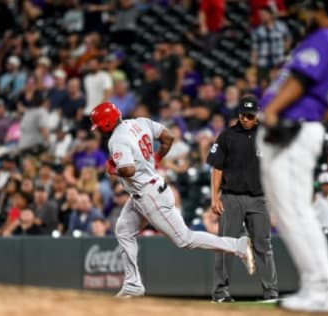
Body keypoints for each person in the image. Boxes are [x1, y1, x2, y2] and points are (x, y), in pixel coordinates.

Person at [90, 102, 255, 298]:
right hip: (146, 190)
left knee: (185, 239)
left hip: (149, 195)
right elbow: (168, 137)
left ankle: (238, 246)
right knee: (124, 230)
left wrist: (114, 169)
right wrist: (156, 159)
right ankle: (133, 285)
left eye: (99, 125)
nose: (98, 129)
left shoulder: (117, 139)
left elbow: (128, 170)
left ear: (107, 123)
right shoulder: (140, 122)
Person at [256, 0, 328, 312]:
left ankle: (323, 288)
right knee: (294, 213)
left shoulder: (327, 37)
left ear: (324, 11)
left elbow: (300, 80)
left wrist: (272, 111)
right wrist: (314, 117)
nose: (307, 15)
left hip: (292, 131)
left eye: (312, 10)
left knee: (295, 213)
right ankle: (322, 287)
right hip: (303, 127)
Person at [206, 95, 278, 303]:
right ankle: (220, 293)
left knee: (263, 245)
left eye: (250, 115)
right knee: (226, 246)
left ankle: (271, 292)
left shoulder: (265, 136)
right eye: (243, 114)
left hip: (259, 198)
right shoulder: (227, 135)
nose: (245, 118)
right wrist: (215, 197)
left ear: (257, 116)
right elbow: (217, 168)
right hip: (231, 198)